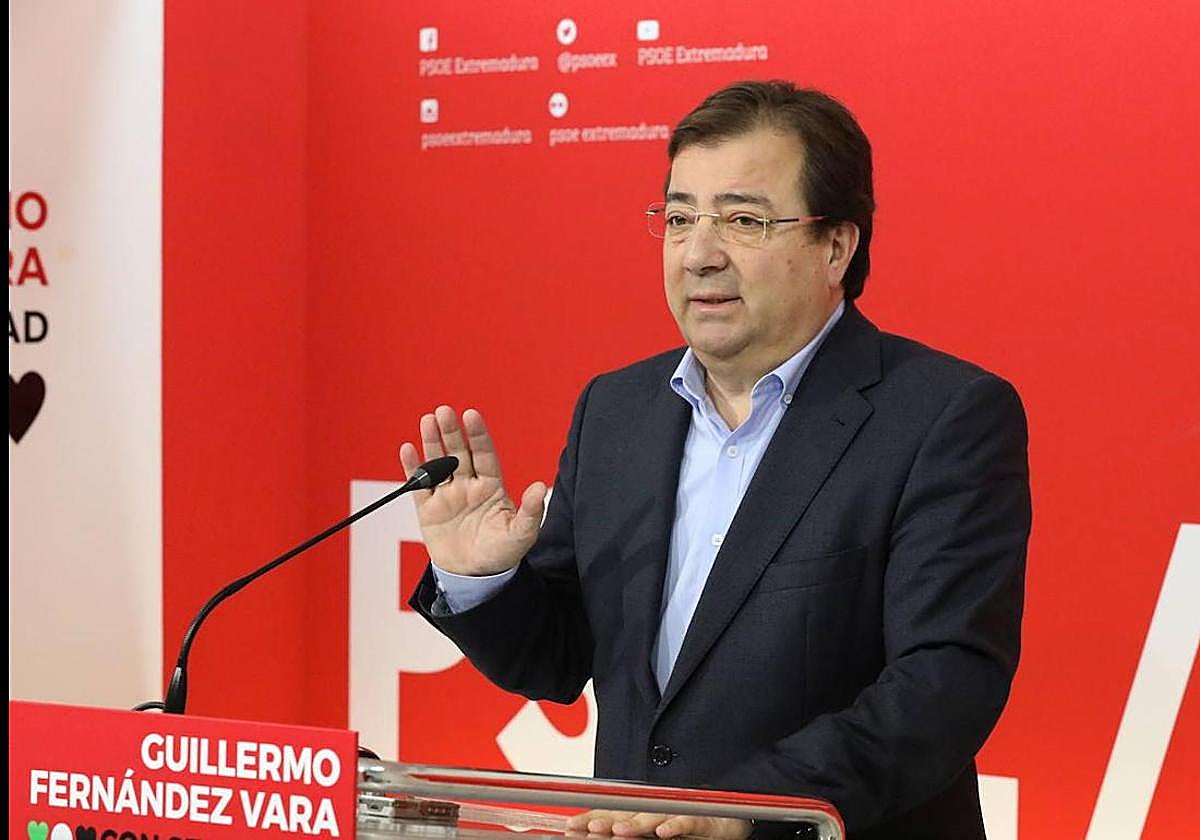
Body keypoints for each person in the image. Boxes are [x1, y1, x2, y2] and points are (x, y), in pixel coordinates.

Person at [401, 80, 1031, 840]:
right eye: (679, 219)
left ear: (836, 246)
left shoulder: (940, 416)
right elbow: (557, 661)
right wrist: (482, 579)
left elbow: (944, 686)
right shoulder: (617, 410)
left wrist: (749, 809)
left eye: (743, 220)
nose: (699, 255)